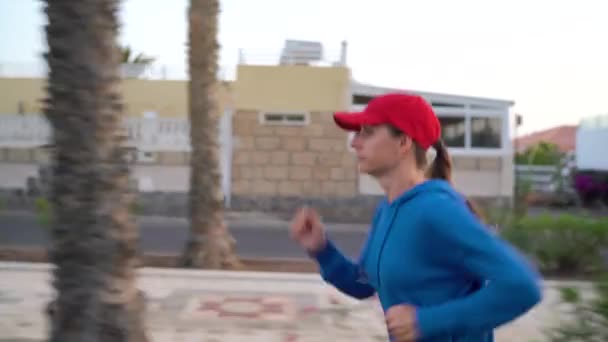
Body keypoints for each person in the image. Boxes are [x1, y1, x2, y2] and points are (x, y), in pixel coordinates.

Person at [289, 93, 542, 342]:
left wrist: (427, 322)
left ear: (403, 144)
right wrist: (322, 250)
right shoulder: (387, 209)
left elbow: (521, 286)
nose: (355, 142)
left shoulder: (437, 209)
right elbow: (364, 283)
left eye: (367, 131)